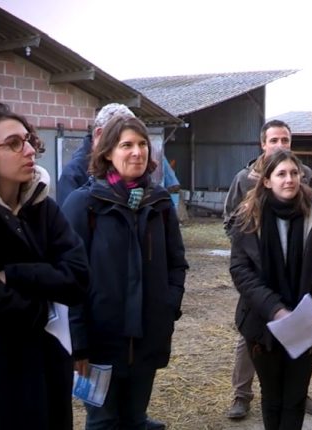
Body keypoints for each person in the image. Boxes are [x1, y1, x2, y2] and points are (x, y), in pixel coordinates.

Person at [0, 100, 89, 429]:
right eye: (13, 143)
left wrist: (14, 274)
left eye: (28, 140)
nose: (28, 150)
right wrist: (43, 309)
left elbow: (78, 277)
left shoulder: (43, 208)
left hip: (46, 367)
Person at [61, 115, 188, 429]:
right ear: (107, 153)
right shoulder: (84, 205)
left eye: (142, 144)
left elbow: (177, 262)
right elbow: (68, 278)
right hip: (99, 344)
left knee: (135, 419)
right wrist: (79, 343)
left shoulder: (158, 203)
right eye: (126, 145)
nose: (137, 152)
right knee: (103, 421)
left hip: (147, 338)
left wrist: (168, 304)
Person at [228, 150, 312, 430]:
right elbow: (240, 271)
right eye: (281, 174)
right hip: (262, 322)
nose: (289, 179)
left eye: (294, 173)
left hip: (308, 321)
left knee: (295, 397)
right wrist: (276, 309)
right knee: (272, 397)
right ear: (267, 181)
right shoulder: (248, 216)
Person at [223, 119, 312, 419]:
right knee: (253, 336)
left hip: (296, 273)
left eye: (285, 140)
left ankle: (298, 392)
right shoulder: (243, 178)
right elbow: (231, 217)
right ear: (263, 144)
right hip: (258, 276)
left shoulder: (305, 175)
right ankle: (242, 395)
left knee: (300, 336)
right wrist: (248, 244)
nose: (280, 146)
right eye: (274, 140)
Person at [56, 103, 135, 206]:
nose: (133, 151)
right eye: (119, 138)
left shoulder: (132, 166)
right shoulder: (74, 173)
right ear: (99, 134)